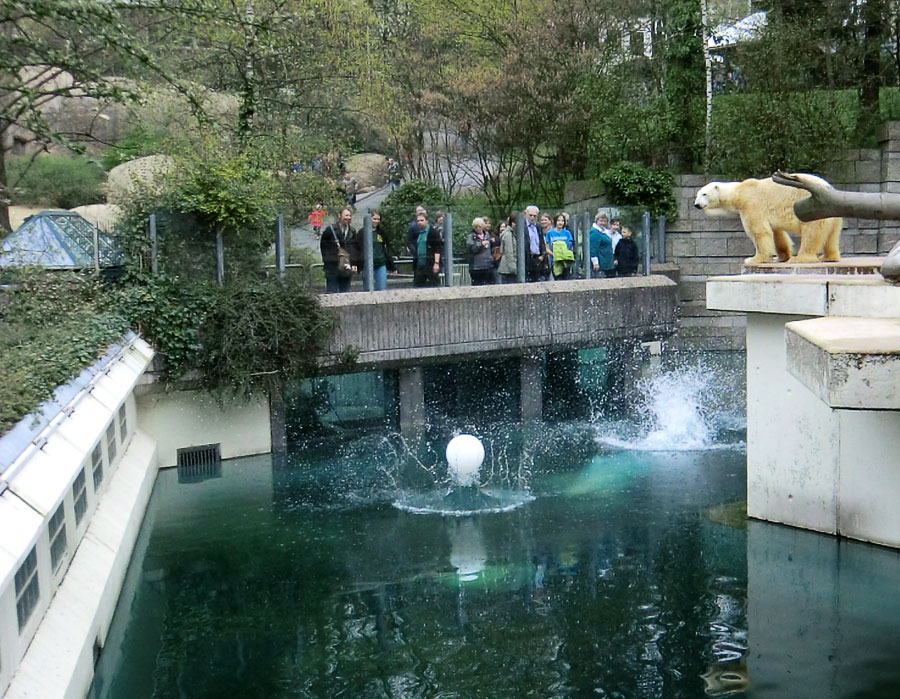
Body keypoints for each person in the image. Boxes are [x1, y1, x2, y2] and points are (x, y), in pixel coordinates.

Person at [354, 210, 397, 291]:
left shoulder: (381, 232)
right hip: (367, 265)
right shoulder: (362, 232)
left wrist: (392, 267)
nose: (376, 221)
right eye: (374, 219)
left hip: (380, 263)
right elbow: (357, 249)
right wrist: (356, 264)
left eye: (378, 219)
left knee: (382, 288)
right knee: (368, 289)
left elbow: (386, 249)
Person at [320, 207, 357, 293]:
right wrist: (331, 260)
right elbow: (323, 248)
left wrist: (354, 263)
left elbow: (354, 248)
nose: (348, 218)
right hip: (332, 268)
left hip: (346, 268)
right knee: (331, 293)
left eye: (350, 215)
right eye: (346, 215)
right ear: (339, 216)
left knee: (345, 293)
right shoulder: (330, 230)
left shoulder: (352, 231)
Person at [412, 212, 443, 287]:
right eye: (418, 221)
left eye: (422, 220)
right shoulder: (418, 233)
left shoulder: (433, 232)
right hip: (420, 264)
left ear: (427, 221)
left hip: (430, 263)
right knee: (417, 286)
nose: (419, 222)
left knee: (434, 285)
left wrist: (436, 263)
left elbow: (437, 248)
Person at [545, 213, 575, 280]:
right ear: (555, 221)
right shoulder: (549, 233)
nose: (560, 223)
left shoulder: (567, 233)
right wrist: (555, 255)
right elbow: (547, 249)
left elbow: (570, 247)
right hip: (555, 261)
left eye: (562, 221)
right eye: (558, 220)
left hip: (565, 261)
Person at [466, 217, 495, 285]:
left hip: (488, 265)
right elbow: (471, 249)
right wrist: (480, 244)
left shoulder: (487, 235)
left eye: (480, 226)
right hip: (476, 267)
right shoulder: (471, 236)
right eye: (476, 227)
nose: (478, 228)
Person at [523, 205, 548, 282]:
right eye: (530, 215)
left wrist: (543, 255)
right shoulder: (522, 227)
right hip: (527, 258)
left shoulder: (538, 226)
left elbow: (542, 242)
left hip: (538, 258)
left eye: (535, 216)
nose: (532, 218)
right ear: (525, 214)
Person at [589, 212, 615, 278]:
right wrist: (595, 263)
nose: (603, 223)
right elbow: (593, 249)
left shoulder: (605, 231)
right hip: (601, 264)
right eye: (601, 221)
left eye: (605, 221)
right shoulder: (594, 232)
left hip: (607, 262)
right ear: (596, 220)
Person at [497, 213, 518, 283]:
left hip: (510, 268)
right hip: (508, 270)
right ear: (513, 223)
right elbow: (509, 252)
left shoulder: (513, 233)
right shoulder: (508, 235)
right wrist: (513, 268)